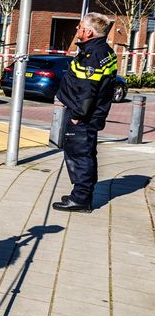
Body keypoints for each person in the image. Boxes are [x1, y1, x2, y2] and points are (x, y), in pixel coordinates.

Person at [52, 12, 117, 213]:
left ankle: (80, 199)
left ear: (88, 32)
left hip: (83, 116)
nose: (77, 30)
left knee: (79, 155)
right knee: (86, 154)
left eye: (80, 27)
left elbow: (88, 89)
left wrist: (78, 115)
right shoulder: (104, 51)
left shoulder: (93, 55)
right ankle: (82, 194)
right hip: (89, 114)